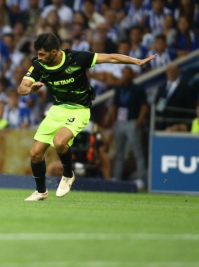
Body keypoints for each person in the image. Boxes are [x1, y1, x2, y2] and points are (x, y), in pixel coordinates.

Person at [18, 32, 155, 201]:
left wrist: (136, 61)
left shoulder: (76, 58)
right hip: (57, 109)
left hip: (79, 109)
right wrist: (30, 89)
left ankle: (68, 175)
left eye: (42, 54)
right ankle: (41, 191)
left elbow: (110, 58)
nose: (38, 57)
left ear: (54, 52)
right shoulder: (39, 65)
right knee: (35, 154)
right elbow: (22, 87)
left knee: (60, 142)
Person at [110, 66, 148, 186]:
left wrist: (138, 121)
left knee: (137, 152)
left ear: (132, 75)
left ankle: (143, 179)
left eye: (128, 73)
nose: (126, 75)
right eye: (124, 73)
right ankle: (117, 178)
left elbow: (144, 106)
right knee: (119, 152)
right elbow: (115, 105)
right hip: (120, 123)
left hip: (132, 122)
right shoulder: (119, 89)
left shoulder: (137, 89)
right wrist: (114, 120)